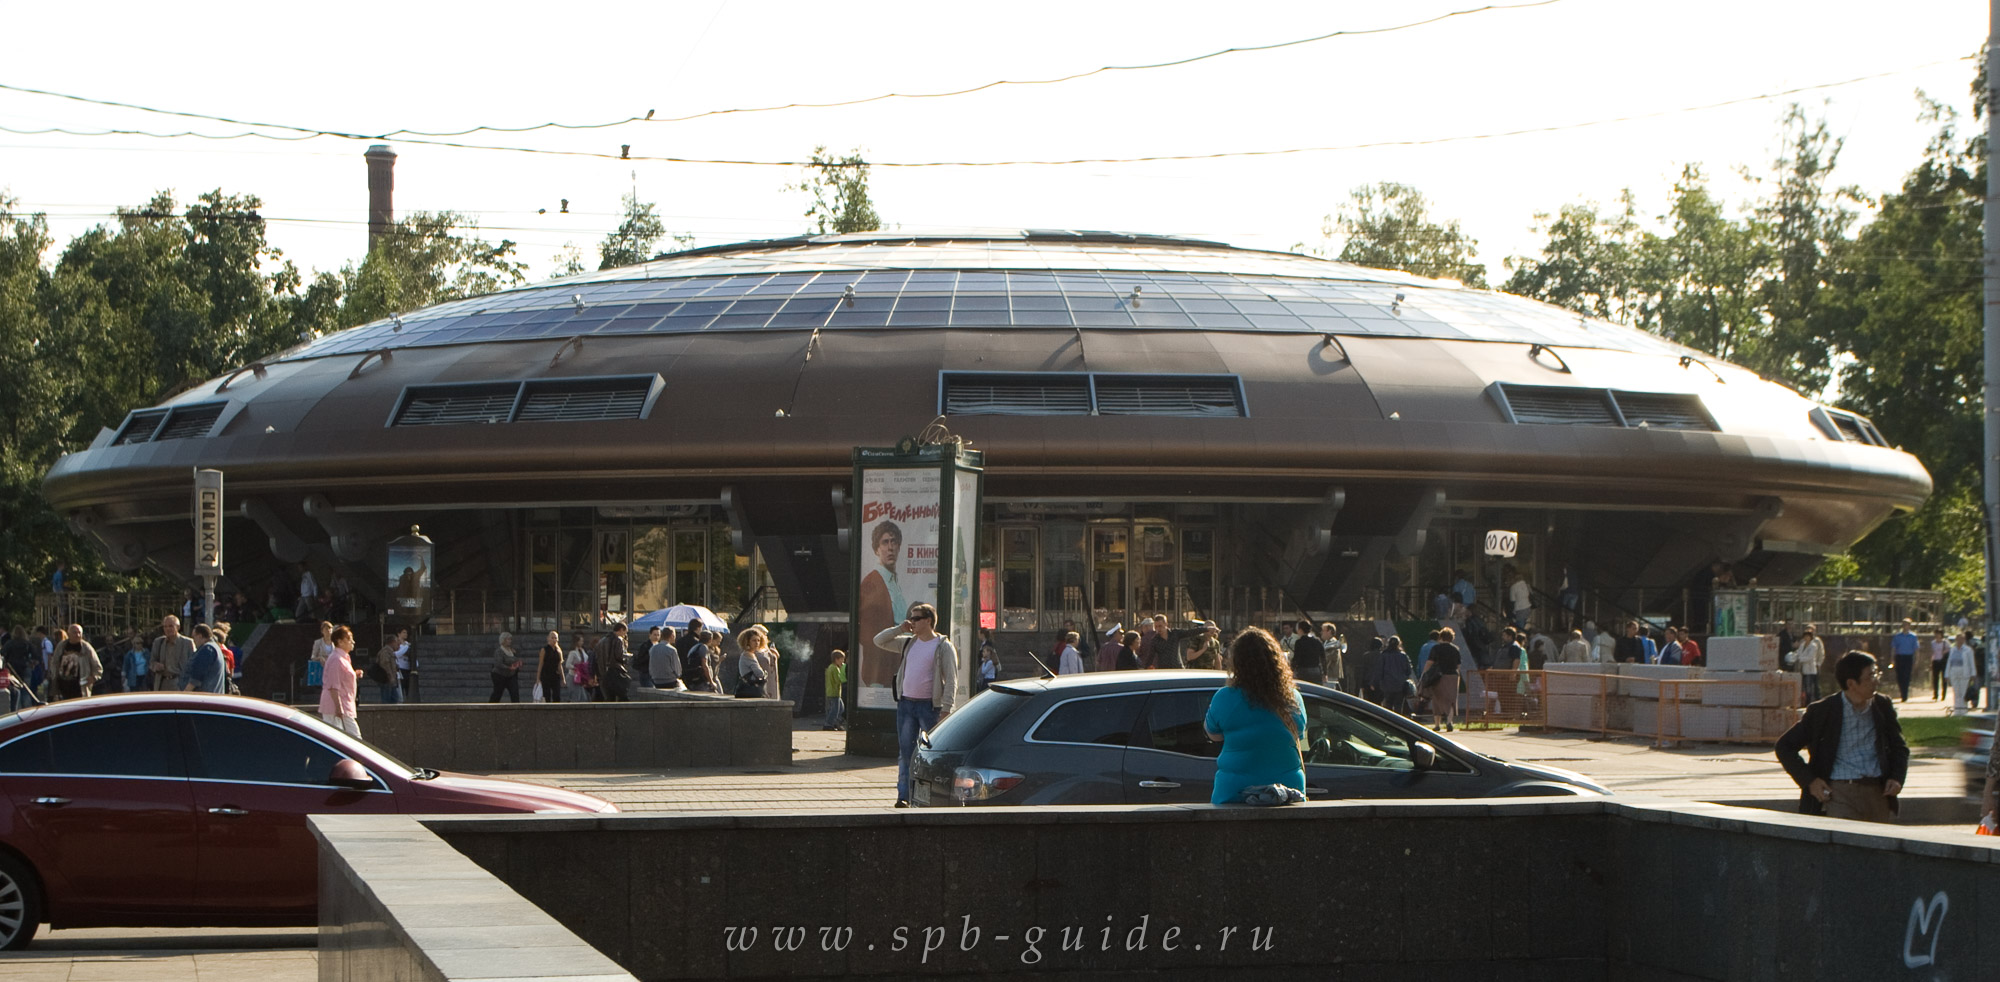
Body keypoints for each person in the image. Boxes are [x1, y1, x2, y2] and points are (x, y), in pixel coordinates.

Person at [1775, 651, 1908, 824]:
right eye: (1871, 676)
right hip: (1839, 793)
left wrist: (1897, 777)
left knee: (1876, 846)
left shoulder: (1882, 706)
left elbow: (1899, 747)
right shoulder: (1823, 711)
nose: (1876, 680)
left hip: (1877, 792)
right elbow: (1784, 747)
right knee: (1844, 845)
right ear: (1851, 683)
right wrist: (1810, 781)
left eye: (1876, 674)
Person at [1203, 627, 1308, 805]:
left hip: (1235, 791)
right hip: (1287, 792)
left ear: (1236, 662)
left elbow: (1213, 734)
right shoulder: (1293, 697)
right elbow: (1298, 734)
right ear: (1276, 661)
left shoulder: (1224, 697)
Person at [873, 602, 961, 808]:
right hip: (906, 705)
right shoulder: (908, 642)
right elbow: (878, 640)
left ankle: (928, 796)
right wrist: (898, 629)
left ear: (928, 621)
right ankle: (903, 796)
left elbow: (952, 679)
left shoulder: (943, 646)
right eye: (911, 618)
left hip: (929, 707)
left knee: (930, 755)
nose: (911, 622)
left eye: (916, 618)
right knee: (905, 752)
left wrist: (946, 708)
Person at [856, 520, 908, 692]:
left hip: (896, 665)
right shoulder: (872, 582)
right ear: (877, 549)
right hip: (879, 671)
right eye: (885, 542)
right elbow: (865, 632)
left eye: (894, 542)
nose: (890, 547)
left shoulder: (894, 582)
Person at [320, 624, 361, 737]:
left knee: (349, 738)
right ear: (340, 642)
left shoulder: (343, 658)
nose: (353, 642)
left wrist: (354, 674)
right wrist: (339, 709)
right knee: (342, 737)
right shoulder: (336, 659)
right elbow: (333, 686)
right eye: (349, 639)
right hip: (336, 707)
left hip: (343, 705)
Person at [1421, 626, 1464, 732]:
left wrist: (1424, 674)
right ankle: (1449, 722)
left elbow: (1429, 662)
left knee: (1437, 699)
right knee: (1451, 699)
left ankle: (1437, 724)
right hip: (1453, 676)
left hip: (1439, 676)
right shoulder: (1455, 649)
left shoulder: (1436, 648)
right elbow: (1458, 665)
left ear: (1441, 637)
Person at [151, 615, 194, 693]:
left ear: (178, 627)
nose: (167, 629)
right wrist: (155, 666)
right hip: (162, 683)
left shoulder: (187, 643)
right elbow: (151, 662)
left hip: (179, 683)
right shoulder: (158, 642)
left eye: (171, 626)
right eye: (165, 626)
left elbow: (193, 666)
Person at [182, 624, 229, 694]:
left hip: (204, 698)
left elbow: (197, 677)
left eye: (194, 637)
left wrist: (185, 693)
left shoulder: (207, 650)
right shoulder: (216, 648)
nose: (193, 640)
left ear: (200, 636)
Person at [595, 622, 634, 702]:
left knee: (609, 698)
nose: (625, 635)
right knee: (622, 695)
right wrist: (628, 656)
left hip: (603, 672)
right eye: (625, 632)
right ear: (621, 630)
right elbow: (619, 655)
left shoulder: (602, 641)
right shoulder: (618, 640)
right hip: (615, 671)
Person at [1375, 636, 1413, 715]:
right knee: (1398, 705)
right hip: (1400, 685)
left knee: (1388, 704)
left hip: (1386, 684)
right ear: (1399, 644)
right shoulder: (1403, 655)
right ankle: (1397, 722)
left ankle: (1388, 721)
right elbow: (1408, 670)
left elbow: (1379, 670)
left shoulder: (1383, 655)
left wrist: (1379, 682)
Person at [1790, 624, 1825, 703]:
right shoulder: (1802, 643)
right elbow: (1799, 652)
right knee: (1806, 686)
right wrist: (1793, 656)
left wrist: (1819, 664)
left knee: (1814, 686)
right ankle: (1806, 702)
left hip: (1812, 667)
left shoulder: (1816, 642)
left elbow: (1818, 654)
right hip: (1803, 668)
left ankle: (1817, 701)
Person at [1945, 631, 1977, 715]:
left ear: (1964, 640)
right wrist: (1946, 674)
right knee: (1956, 692)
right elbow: (1949, 662)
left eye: (1961, 639)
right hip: (1954, 672)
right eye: (1958, 639)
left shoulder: (1968, 650)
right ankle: (1957, 710)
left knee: (1963, 692)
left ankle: (1963, 711)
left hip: (1964, 672)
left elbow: (1971, 662)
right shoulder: (1953, 649)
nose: (1959, 640)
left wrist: (1973, 674)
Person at [1889, 618, 1919, 702]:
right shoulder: (1897, 636)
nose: (1905, 626)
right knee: (1900, 676)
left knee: (1907, 675)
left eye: (1907, 624)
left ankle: (1905, 695)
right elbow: (1893, 648)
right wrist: (1892, 659)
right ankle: (1902, 692)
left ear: (1909, 626)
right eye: (1904, 624)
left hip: (1908, 657)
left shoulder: (1913, 636)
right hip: (1900, 657)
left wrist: (1916, 660)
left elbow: (1916, 649)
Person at [1289, 618, 1325, 685]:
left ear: (1300, 630)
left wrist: (1291, 669)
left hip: (1303, 671)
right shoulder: (1317, 641)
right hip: (1316, 670)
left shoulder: (1299, 642)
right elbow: (1323, 657)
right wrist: (1325, 673)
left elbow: (1297, 658)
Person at [489, 631, 522, 703]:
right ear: (503, 640)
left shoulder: (512, 650)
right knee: (497, 693)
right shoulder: (499, 651)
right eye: (508, 639)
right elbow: (498, 664)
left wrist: (518, 664)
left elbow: (515, 659)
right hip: (499, 675)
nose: (510, 641)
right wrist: (509, 667)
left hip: (511, 675)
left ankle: (517, 709)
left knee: (515, 693)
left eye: (510, 639)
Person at [375, 630, 405, 704]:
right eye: (396, 642)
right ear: (393, 642)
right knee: (387, 700)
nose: (398, 644)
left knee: (394, 699)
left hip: (391, 679)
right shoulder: (385, 652)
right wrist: (390, 677)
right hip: (387, 680)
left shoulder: (390, 652)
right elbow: (385, 665)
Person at [536, 630, 565, 703]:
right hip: (546, 675)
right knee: (547, 695)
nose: (554, 640)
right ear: (548, 638)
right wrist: (538, 678)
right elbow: (541, 663)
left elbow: (559, 665)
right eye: (552, 638)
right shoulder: (544, 650)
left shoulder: (558, 651)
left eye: (555, 638)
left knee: (557, 695)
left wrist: (563, 678)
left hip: (555, 675)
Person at [650, 626, 683, 691]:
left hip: (656, 681)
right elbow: (678, 671)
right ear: (672, 635)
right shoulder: (672, 650)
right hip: (670, 681)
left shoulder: (652, 649)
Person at [823, 649, 848, 730]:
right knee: (836, 710)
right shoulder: (835, 669)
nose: (843, 661)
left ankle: (834, 722)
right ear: (837, 659)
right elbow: (838, 680)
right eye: (842, 659)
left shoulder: (830, 667)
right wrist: (842, 670)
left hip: (830, 692)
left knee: (840, 708)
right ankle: (828, 724)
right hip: (835, 692)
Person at [391, 627, 416, 702]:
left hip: (407, 668)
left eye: (406, 633)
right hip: (400, 668)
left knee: (408, 687)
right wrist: (406, 647)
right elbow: (396, 654)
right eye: (404, 632)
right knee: (400, 687)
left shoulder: (408, 644)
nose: (406, 634)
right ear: (399, 634)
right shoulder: (397, 645)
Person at [1505, 565, 1531, 631]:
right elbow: (1530, 593)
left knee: (1520, 626)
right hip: (1527, 606)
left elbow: (1512, 600)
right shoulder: (1525, 584)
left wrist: (1511, 612)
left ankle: (1520, 637)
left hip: (1520, 608)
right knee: (1523, 623)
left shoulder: (1513, 587)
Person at [1931, 628, 1950, 701]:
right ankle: (1935, 694)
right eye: (1936, 634)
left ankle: (1943, 695)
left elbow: (1949, 650)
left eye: (1939, 634)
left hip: (1943, 662)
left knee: (1944, 678)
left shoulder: (1945, 642)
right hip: (1935, 661)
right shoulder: (1933, 643)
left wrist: (1944, 652)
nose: (1937, 635)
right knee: (1935, 678)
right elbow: (1932, 652)